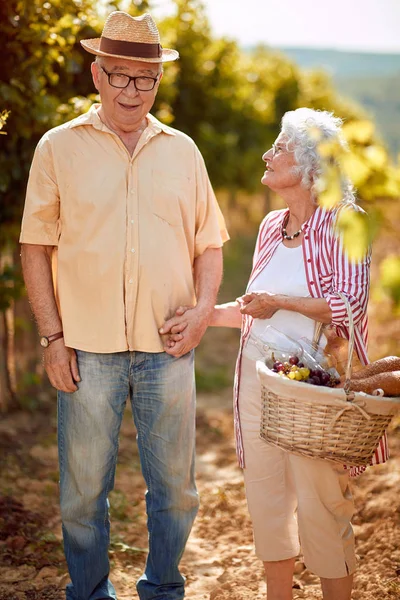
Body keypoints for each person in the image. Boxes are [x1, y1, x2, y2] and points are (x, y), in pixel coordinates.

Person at [19, 11, 229, 600]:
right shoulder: (58, 148)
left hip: (168, 347)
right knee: (82, 493)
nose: (133, 91)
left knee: (178, 490)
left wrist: (204, 308)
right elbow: (34, 248)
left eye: (147, 79)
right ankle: (88, 594)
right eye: (120, 76)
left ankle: (163, 588)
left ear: (159, 81)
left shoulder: (183, 152)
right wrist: (52, 337)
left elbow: (208, 244)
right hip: (86, 348)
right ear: (96, 73)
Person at [161, 108, 388, 600]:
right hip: (259, 379)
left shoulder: (345, 224)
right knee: (266, 499)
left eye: (279, 147)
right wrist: (198, 317)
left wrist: (279, 302)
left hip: (313, 390)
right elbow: (252, 310)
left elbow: (348, 307)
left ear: (309, 166)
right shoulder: (269, 226)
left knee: (321, 504)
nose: (267, 154)